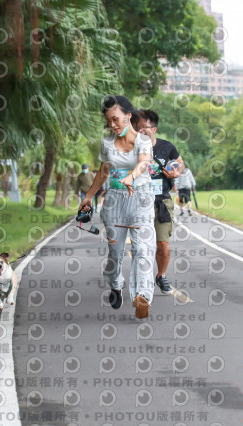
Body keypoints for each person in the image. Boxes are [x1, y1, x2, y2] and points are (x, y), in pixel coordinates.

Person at [80, 95, 156, 319]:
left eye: (116, 120)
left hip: (141, 198)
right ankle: (115, 284)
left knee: (142, 249)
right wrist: (88, 197)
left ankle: (142, 295)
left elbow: (143, 162)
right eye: (109, 121)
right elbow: (104, 172)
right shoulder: (106, 143)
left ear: (128, 116)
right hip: (114, 201)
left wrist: (131, 177)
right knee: (115, 253)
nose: (112, 125)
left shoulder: (143, 141)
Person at [135, 109, 184, 295]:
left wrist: (176, 172)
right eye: (137, 128)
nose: (140, 131)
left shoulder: (167, 147)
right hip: (138, 202)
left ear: (154, 129)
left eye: (144, 128)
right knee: (140, 246)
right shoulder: (133, 147)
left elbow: (180, 163)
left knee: (162, 244)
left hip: (161, 201)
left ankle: (161, 276)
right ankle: (140, 282)